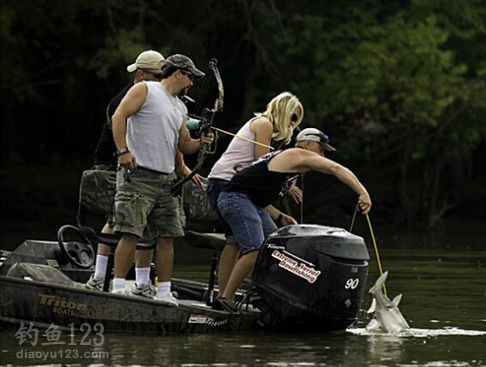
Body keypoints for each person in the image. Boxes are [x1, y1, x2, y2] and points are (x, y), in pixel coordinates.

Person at [214, 127, 372, 312]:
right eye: (320, 149)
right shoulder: (297, 154)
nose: (322, 155)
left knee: (275, 247)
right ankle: (225, 298)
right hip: (234, 198)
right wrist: (362, 192)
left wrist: (280, 216)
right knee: (255, 250)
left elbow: (254, 189)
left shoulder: (289, 163)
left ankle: (261, 294)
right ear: (306, 144)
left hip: (248, 201)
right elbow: (335, 168)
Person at [111, 54, 212, 301]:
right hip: (138, 175)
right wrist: (123, 151)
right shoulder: (145, 89)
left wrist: (202, 143)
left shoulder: (181, 107)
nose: (192, 83)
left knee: (168, 235)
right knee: (130, 232)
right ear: (177, 73)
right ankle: (118, 286)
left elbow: (184, 145)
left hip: (167, 180)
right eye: (190, 77)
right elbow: (118, 116)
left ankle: (164, 292)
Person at [206, 92, 303, 299]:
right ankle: (226, 296)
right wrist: (287, 185)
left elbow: (257, 184)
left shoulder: (268, 131)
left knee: (235, 242)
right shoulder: (263, 124)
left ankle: (235, 294)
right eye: (292, 118)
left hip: (235, 187)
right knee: (243, 243)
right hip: (224, 184)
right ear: (283, 110)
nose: (293, 124)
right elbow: (264, 167)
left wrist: (278, 211)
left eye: (296, 121)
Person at [86, 50, 165, 295]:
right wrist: (120, 156)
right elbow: (119, 134)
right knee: (115, 220)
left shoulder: (158, 97)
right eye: (158, 75)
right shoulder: (126, 98)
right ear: (141, 74)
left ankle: (142, 283)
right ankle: (98, 277)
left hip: (144, 171)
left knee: (145, 225)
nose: (162, 80)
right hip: (117, 167)